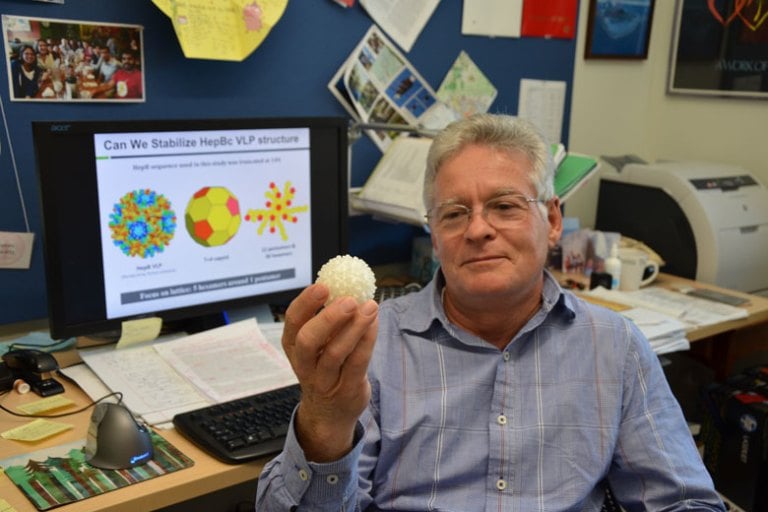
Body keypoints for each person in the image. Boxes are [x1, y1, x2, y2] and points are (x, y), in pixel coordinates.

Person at [255, 114, 726, 511]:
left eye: (504, 206)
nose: (478, 229)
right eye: (454, 213)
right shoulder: (373, 345)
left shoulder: (615, 346)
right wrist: (324, 423)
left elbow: (684, 501)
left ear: (554, 220)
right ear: (434, 237)